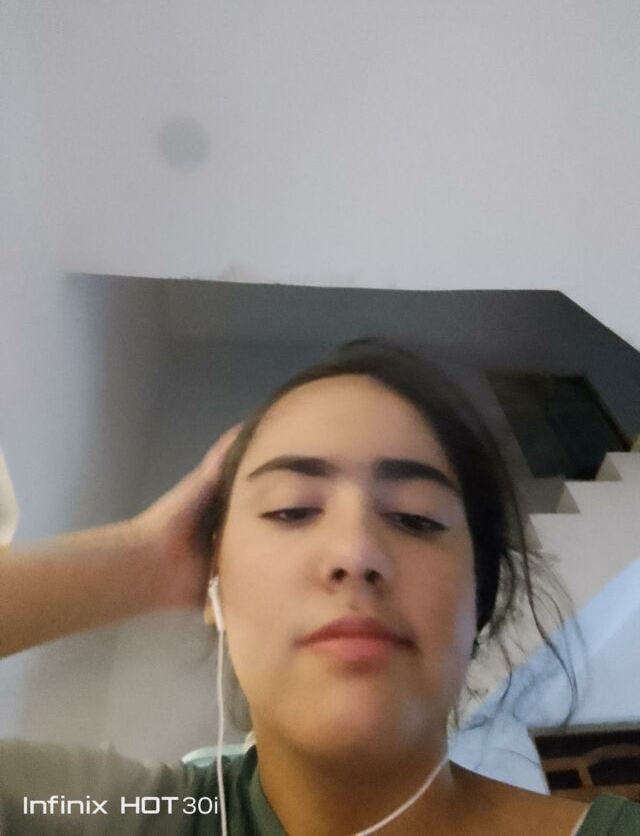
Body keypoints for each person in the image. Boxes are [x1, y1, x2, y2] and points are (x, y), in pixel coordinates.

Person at [0, 337, 638, 835]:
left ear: (479, 601)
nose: (356, 552)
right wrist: (144, 559)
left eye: (416, 517)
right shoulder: (120, 816)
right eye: (291, 509)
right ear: (214, 586)